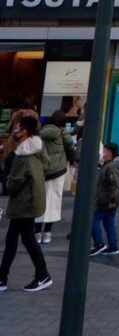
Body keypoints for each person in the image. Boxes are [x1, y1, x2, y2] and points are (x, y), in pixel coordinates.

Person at [0, 113, 52, 292]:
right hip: (30, 200)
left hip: (24, 202)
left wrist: (8, 184)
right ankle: (3, 276)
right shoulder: (36, 149)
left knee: (27, 240)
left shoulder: (24, 154)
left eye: (18, 127)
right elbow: (46, 166)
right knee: (14, 239)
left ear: (25, 132)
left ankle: (42, 274)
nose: (15, 130)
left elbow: (14, 181)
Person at [35, 110, 73, 243]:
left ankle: (37, 232)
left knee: (40, 200)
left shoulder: (42, 132)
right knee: (54, 201)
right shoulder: (61, 132)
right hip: (58, 171)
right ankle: (47, 233)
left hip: (43, 170)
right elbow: (70, 144)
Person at [90, 143, 119, 256]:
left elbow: (114, 184)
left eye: (104, 151)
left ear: (110, 153)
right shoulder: (107, 165)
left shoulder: (110, 167)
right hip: (108, 200)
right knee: (109, 223)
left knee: (93, 221)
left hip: (105, 201)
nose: (103, 153)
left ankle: (99, 244)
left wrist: (113, 200)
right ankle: (113, 246)